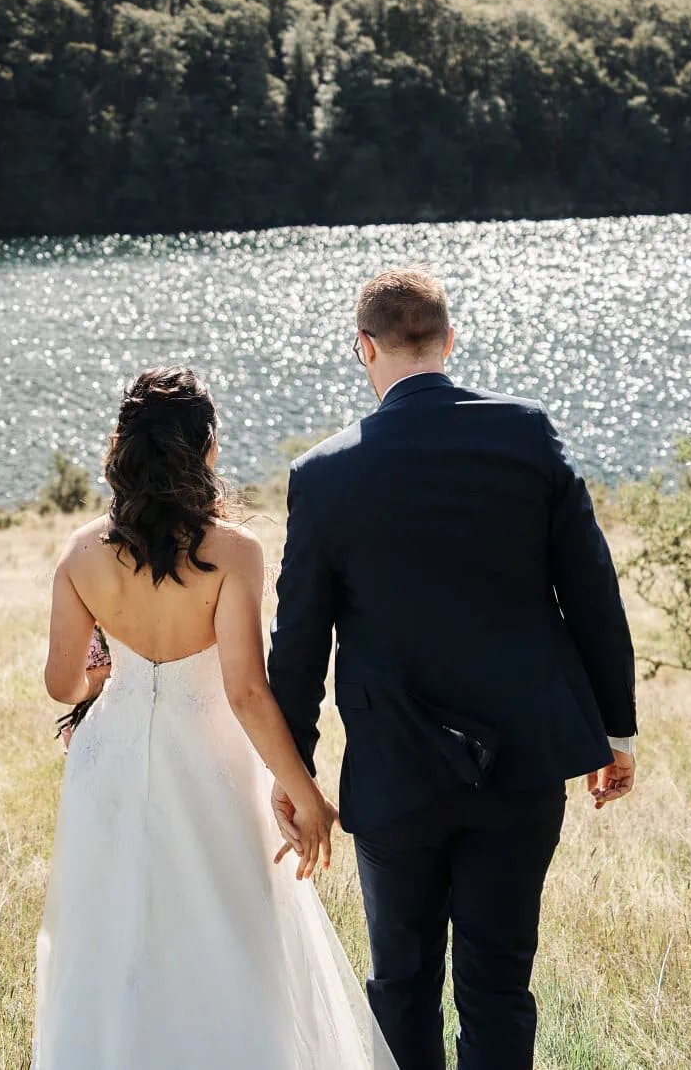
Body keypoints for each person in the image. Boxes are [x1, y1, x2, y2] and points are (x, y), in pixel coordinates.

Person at [270, 268, 638, 1070]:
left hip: (395, 766)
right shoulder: (526, 434)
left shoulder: (324, 473)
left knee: (399, 984)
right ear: (449, 343)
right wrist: (616, 729)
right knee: (499, 984)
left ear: (362, 346)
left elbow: (297, 643)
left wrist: (295, 774)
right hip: (524, 764)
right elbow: (591, 591)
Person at [32, 367, 396, 1070]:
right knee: (230, 936)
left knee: (112, 935)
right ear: (206, 449)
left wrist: (104, 675)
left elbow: (59, 682)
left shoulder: (80, 553)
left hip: (107, 765)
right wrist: (308, 793)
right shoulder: (233, 551)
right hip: (211, 764)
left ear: (122, 450)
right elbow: (248, 694)